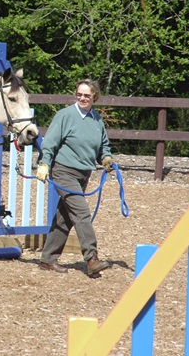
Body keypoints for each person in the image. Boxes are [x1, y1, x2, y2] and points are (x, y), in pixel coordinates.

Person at [34, 79, 115, 277]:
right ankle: (91, 257)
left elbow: (103, 144)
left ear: (94, 97)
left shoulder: (96, 119)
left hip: (83, 173)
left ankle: (47, 259)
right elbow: (50, 142)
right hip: (64, 171)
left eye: (87, 95)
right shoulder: (65, 116)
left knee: (65, 217)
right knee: (81, 212)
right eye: (79, 94)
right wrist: (44, 163)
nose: (82, 98)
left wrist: (105, 157)